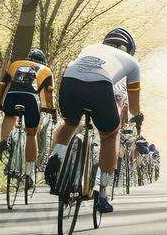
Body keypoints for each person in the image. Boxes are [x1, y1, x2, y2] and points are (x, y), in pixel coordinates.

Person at [46, 28, 143, 214]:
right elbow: (133, 107)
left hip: (70, 80)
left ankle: (56, 156)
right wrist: (138, 116)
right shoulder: (131, 63)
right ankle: (102, 194)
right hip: (101, 87)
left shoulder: (90, 47)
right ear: (129, 49)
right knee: (109, 134)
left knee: (70, 122)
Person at [0, 48, 54, 188]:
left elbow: (3, 85)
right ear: (42, 61)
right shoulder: (45, 69)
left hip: (12, 97)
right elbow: (49, 92)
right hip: (31, 100)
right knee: (31, 134)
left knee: (10, 115)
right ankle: (29, 174)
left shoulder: (16, 64)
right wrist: (52, 110)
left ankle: (5, 142)